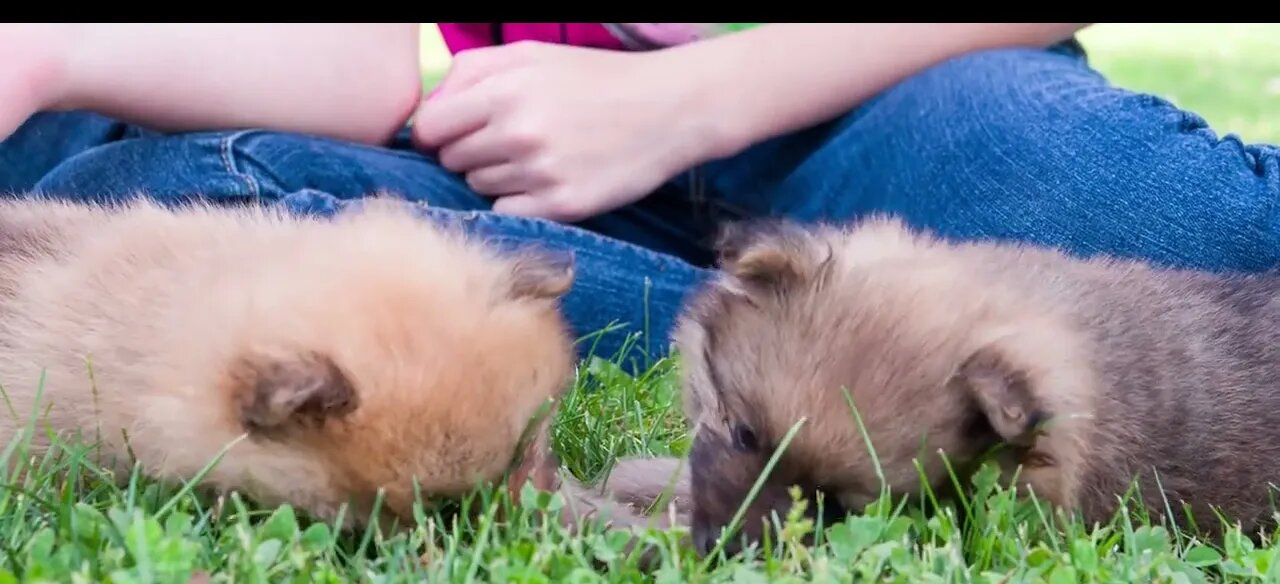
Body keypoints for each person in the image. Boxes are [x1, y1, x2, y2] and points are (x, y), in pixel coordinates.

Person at [3, 23, 1279, 370]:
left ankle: (830, 322)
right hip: (529, 170)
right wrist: (46, 47)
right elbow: (359, 63)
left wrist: (684, 101)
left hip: (892, 103)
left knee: (1199, 231)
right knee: (154, 192)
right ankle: (842, 336)